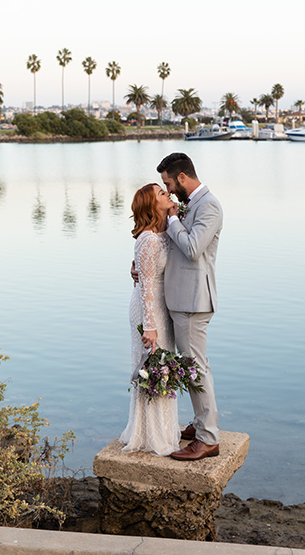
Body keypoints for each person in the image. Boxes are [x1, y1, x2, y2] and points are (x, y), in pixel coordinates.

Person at [158, 152, 223, 461]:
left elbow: (193, 248)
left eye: (169, 184)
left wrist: (171, 218)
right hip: (183, 297)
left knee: (196, 368)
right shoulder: (191, 205)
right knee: (195, 365)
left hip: (194, 299)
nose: (168, 192)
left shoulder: (209, 206)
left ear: (182, 178)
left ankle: (209, 438)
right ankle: (200, 425)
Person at [120, 183, 181, 456]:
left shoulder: (166, 232)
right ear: (151, 205)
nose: (167, 194)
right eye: (161, 193)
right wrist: (151, 326)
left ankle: (166, 429)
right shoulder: (147, 238)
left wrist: (176, 214)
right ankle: (148, 435)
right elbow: (145, 283)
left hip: (163, 308)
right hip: (148, 310)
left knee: (164, 369)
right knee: (152, 367)